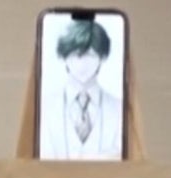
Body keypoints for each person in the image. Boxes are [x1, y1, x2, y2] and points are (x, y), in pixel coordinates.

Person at [38, 19, 122, 160]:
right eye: (76, 55)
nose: (83, 64)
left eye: (90, 55)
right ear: (64, 57)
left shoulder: (120, 109)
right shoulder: (43, 107)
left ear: (102, 58)